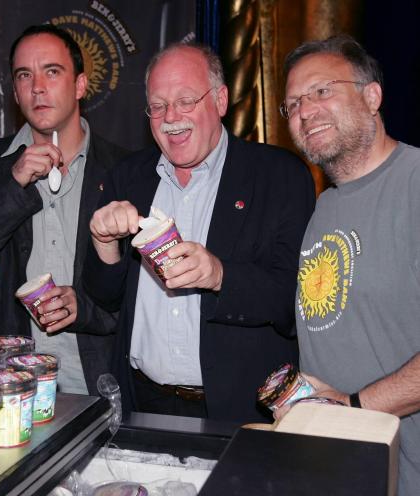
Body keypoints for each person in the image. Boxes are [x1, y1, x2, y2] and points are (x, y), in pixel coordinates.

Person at [84, 42, 315, 422]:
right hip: (143, 402)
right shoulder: (128, 177)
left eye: (186, 100)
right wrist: (104, 244)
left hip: (241, 410)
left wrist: (221, 275)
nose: (170, 117)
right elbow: (105, 299)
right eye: (157, 106)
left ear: (221, 100)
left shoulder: (279, 176)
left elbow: (294, 301)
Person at [0, 25, 127, 395]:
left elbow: (142, 285)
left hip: (102, 379)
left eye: (52, 71)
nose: (37, 87)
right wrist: (14, 185)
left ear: (80, 85)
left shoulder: (122, 168)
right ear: (15, 92)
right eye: (24, 75)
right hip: (12, 380)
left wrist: (86, 308)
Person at [281, 34, 420, 496]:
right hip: (335, 467)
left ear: (373, 95)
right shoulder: (324, 208)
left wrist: (352, 406)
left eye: (322, 91)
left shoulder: (414, 184)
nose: (304, 111)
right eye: (293, 103)